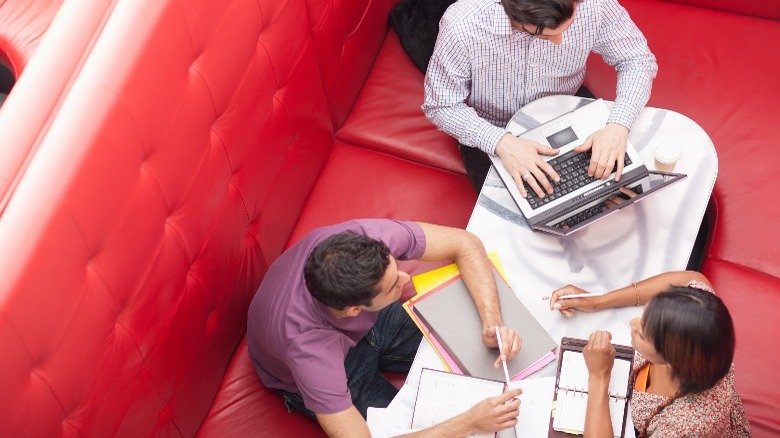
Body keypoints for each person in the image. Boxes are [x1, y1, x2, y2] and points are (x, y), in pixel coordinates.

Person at [247, 219, 524, 437]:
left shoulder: (364, 240)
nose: (406, 278)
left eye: (396, 269)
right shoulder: (311, 355)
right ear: (354, 310)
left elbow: (465, 243)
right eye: (394, 286)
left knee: (481, 348)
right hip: (332, 370)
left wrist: (492, 323)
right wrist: (467, 424)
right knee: (431, 425)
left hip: (371, 320)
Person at [422, 0, 658, 196]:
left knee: (625, 192)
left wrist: (618, 124)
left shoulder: (594, 4)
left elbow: (636, 59)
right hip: (493, 126)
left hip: (566, 106)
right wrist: (500, 141)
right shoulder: (462, 25)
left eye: (569, 26)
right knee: (531, 221)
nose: (559, 42)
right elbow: (441, 105)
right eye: (542, 34)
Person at [549, 271, 752, 437]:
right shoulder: (701, 334)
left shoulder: (680, 429)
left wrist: (598, 376)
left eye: (644, 334)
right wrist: (598, 300)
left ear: (673, 361)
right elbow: (690, 280)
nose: (633, 324)